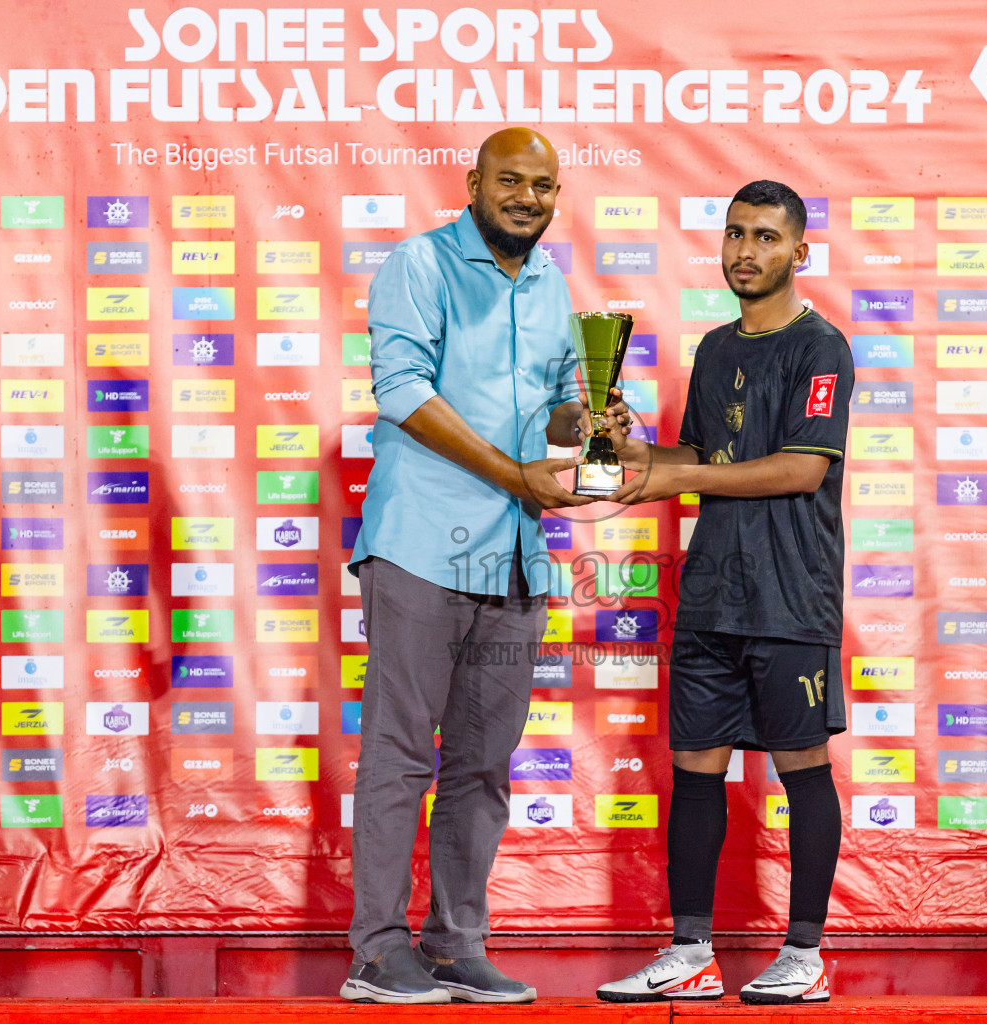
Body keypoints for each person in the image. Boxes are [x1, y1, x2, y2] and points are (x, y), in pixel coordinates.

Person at [340, 128, 630, 1004]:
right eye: (511, 181)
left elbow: (556, 413)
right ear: (474, 183)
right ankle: (375, 952)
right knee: (399, 756)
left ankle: (454, 943)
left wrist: (597, 424)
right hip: (423, 543)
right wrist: (513, 475)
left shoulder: (551, 285)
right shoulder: (419, 265)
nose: (528, 198)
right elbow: (402, 392)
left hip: (513, 558)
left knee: (482, 763)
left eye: (543, 185)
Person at [596, 180, 852, 1005]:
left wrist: (685, 479)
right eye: (737, 234)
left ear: (798, 252)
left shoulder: (823, 349)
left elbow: (800, 468)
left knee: (802, 768)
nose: (747, 250)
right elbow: (696, 454)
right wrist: (634, 453)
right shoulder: (713, 349)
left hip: (791, 596)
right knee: (695, 771)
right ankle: (690, 953)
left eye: (767, 237)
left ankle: (805, 955)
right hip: (713, 595)